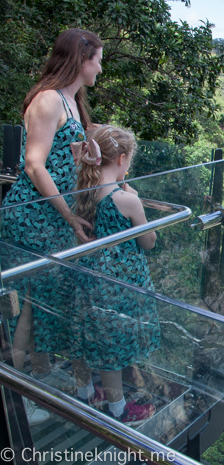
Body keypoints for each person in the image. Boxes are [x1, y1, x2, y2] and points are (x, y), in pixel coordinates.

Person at [0, 28, 102, 425]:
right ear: (80, 59)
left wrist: (86, 154)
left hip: (52, 216)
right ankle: (19, 398)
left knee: (35, 304)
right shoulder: (47, 100)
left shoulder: (72, 102)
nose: (100, 68)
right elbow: (34, 164)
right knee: (27, 306)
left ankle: (28, 386)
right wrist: (68, 216)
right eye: (97, 59)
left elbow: (63, 158)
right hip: (32, 216)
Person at [70, 125, 160, 425]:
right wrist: (138, 200)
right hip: (119, 285)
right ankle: (118, 408)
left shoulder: (81, 190)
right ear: (122, 159)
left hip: (86, 278)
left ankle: (85, 392)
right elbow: (148, 241)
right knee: (113, 346)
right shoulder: (126, 201)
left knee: (84, 335)